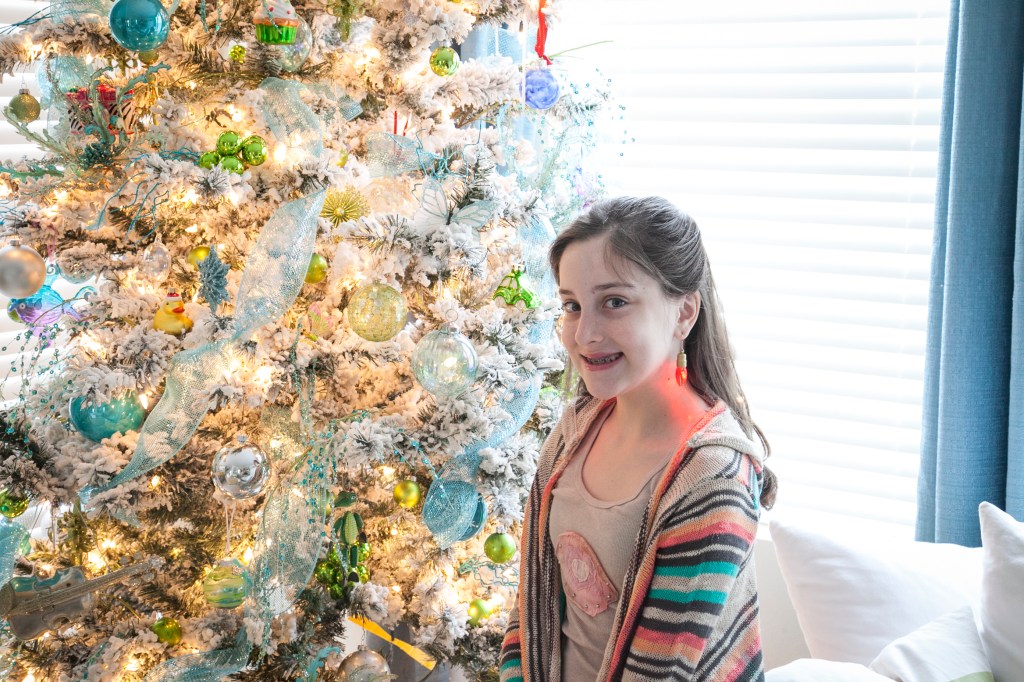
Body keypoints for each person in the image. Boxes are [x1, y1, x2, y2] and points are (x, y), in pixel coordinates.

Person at [500, 196, 777, 681]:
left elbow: (662, 670)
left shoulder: (713, 475)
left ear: (684, 313)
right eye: (572, 305)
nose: (585, 333)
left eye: (615, 302)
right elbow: (531, 601)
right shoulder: (575, 429)